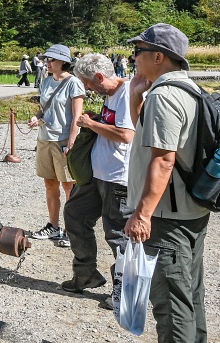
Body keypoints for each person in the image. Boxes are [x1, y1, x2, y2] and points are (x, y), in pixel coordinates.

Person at [123, 24, 209, 343]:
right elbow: (151, 136)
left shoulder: (165, 96)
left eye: (138, 51)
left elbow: (163, 159)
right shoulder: (190, 90)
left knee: (171, 304)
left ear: (158, 57)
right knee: (189, 295)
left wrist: (142, 214)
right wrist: (135, 96)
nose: (133, 57)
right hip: (191, 209)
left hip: (166, 218)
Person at [61, 52, 134, 309]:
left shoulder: (127, 94)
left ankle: (125, 292)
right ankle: (86, 274)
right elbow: (113, 125)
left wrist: (90, 124)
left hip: (118, 178)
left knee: (117, 234)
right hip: (97, 174)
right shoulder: (111, 95)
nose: (87, 88)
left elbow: (125, 135)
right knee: (74, 215)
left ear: (100, 76)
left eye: (89, 83)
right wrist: (98, 119)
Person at [27, 44, 84, 246]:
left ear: (63, 61)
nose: (47, 63)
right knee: (49, 183)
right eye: (47, 59)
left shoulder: (74, 83)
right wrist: (36, 118)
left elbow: (77, 116)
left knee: (69, 186)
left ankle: (71, 230)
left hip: (62, 140)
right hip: (45, 138)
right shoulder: (46, 81)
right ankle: (53, 226)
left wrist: (71, 142)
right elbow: (43, 109)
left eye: (51, 60)